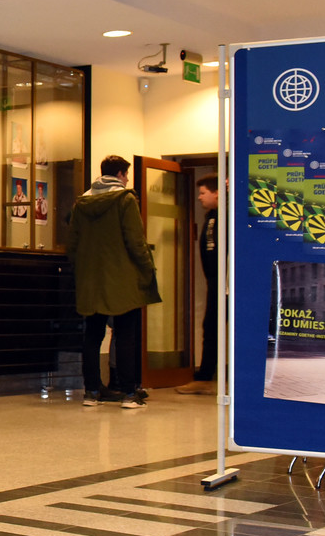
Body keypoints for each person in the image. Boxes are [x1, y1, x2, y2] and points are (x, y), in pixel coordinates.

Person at [66, 155, 160, 410]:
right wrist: (147, 269)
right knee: (126, 333)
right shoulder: (125, 200)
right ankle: (129, 393)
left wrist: (81, 270)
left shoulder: (82, 203)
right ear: (119, 174)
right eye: (126, 175)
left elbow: (72, 243)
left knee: (92, 335)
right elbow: (135, 240)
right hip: (122, 278)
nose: (127, 180)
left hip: (90, 279)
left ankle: (92, 391)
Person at [177, 175, 220, 395]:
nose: (200, 197)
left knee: (214, 327)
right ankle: (204, 377)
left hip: (226, 284)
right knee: (210, 327)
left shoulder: (227, 217)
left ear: (217, 193)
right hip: (214, 282)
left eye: (203, 193)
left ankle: (206, 378)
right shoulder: (210, 217)